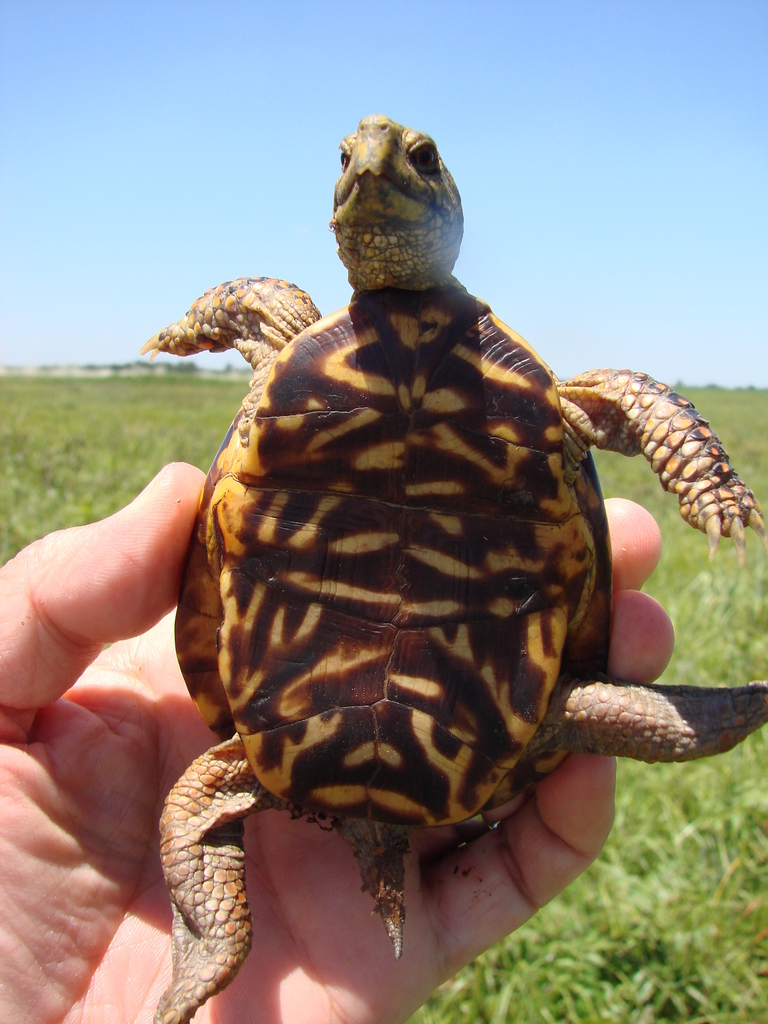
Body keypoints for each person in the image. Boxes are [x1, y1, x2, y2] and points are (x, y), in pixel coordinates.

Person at [0, 463, 674, 1023]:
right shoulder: (535, 399)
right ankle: (210, 951)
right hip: (465, 731)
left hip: (290, 723)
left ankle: (210, 951)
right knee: (574, 714)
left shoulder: (305, 359)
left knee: (200, 804)